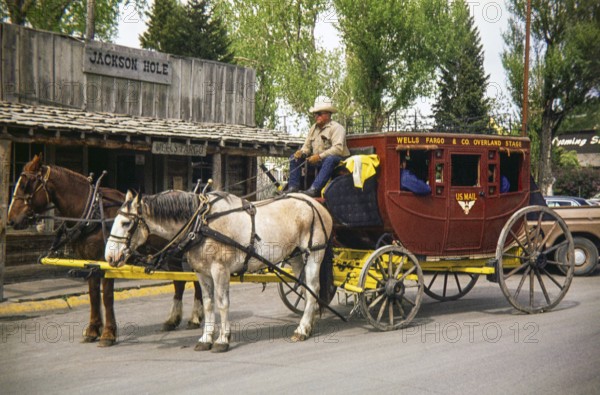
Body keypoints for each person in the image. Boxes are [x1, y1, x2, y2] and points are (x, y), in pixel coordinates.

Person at [287, 96, 350, 197]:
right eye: (315, 114)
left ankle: (314, 189)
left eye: (319, 113)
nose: (316, 116)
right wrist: (302, 152)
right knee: (293, 158)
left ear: (328, 114)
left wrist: (319, 156)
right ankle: (293, 187)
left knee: (330, 159)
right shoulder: (313, 128)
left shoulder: (337, 128)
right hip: (317, 161)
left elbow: (338, 149)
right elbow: (306, 146)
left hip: (335, 163)